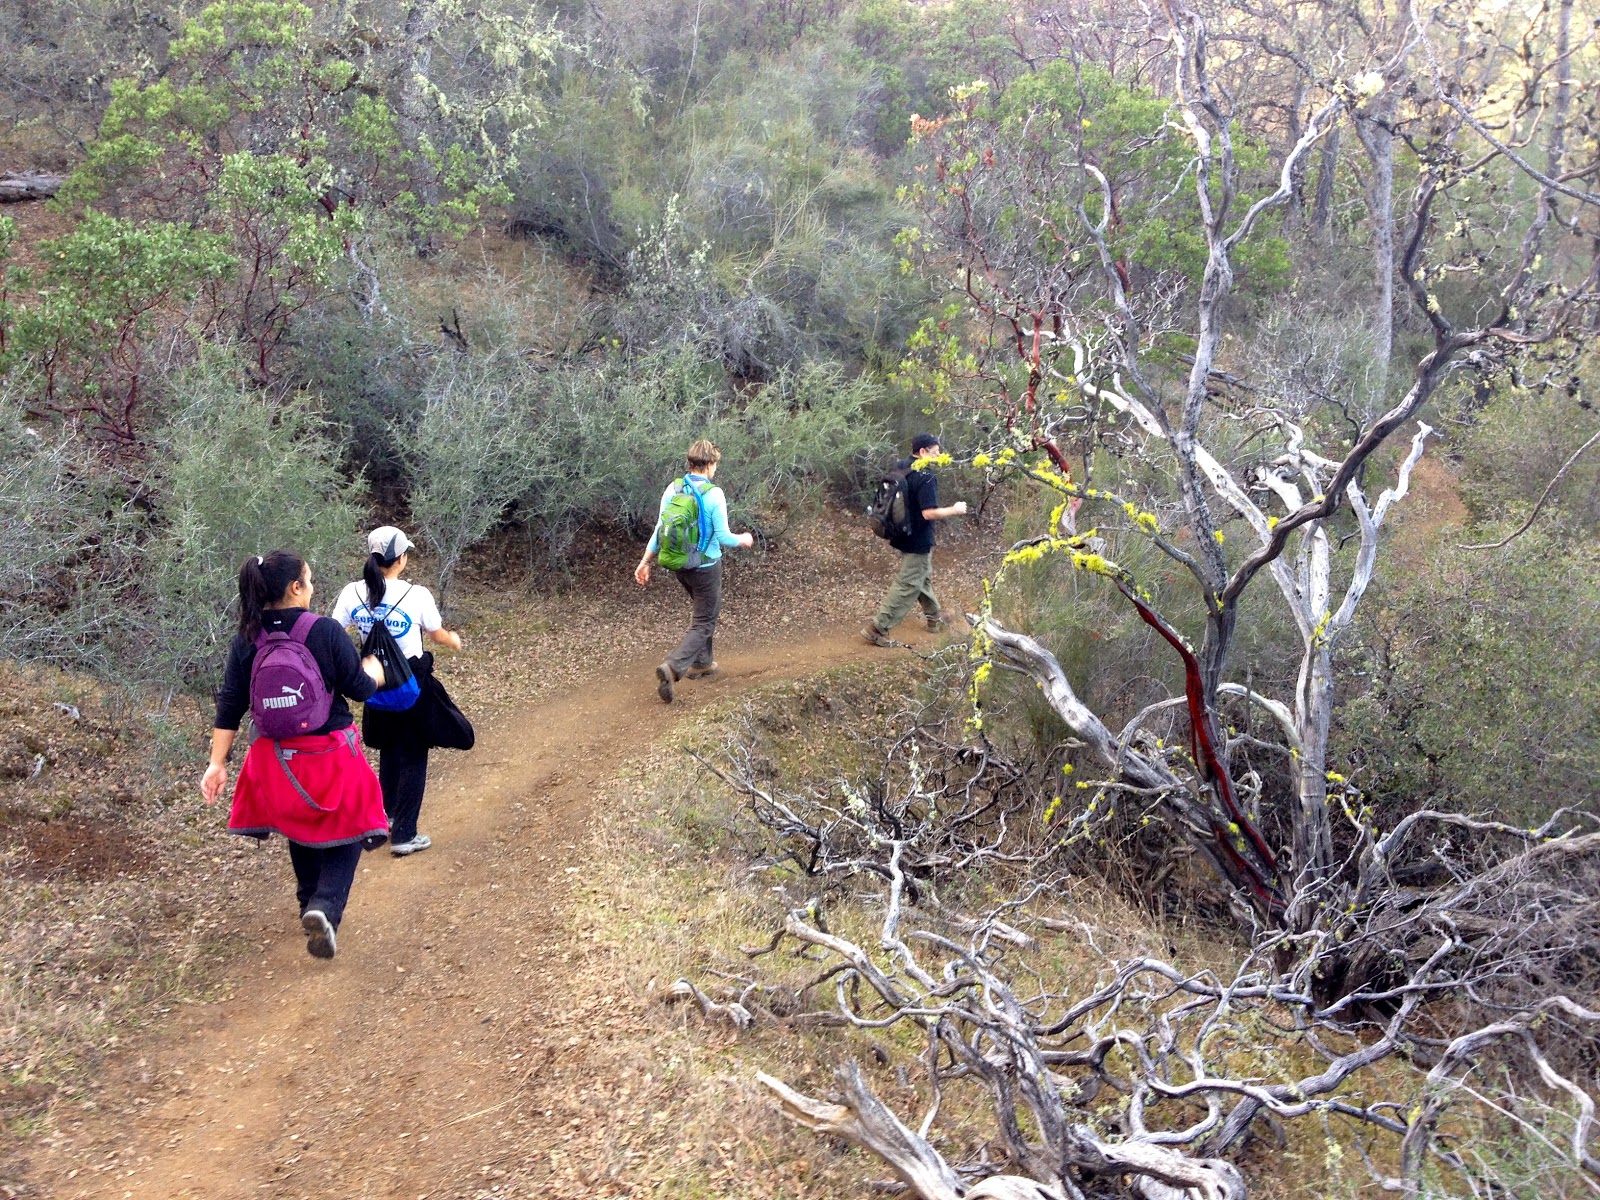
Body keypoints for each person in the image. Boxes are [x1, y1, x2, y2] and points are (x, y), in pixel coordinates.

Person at [200, 550, 389, 960]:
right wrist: (374, 669)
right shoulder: (323, 631)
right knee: (352, 824)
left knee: (301, 823)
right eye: (310, 579)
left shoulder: (247, 638)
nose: (313, 587)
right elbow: (360, 688)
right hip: (329, 752)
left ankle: (308, 904)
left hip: (274, 760)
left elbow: (230, 703)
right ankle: (325, 906)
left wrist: (217, 764)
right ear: (295, 587)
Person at [330, 526, 464, 858]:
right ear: (401, 559)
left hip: (373, 683)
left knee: (389, 750)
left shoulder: (352, 593)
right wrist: (454, 640)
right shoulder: (415, 595)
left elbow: (334, 632)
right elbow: (436, 635)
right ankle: (405, 834)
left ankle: (384, 820)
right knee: (414, 753)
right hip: (410, 685)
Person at [633, 439, 755, 703]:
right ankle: (673, 668)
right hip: (706, 566)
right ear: (709, 464)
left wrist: (645, 561)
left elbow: (659, 530)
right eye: (715, 465)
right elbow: (722, 535)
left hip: (679, 565)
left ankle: (703, 663)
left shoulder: (673, 488)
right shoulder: (714, 494)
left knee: (705, 611)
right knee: (704, 620)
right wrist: (743, 540)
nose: (715, 470)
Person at [862, 433, 967, 646]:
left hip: (901, 534)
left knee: (922, 574)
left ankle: (933, 616)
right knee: (908, 583)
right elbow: (929, 513)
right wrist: (955, 510)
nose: (939, 456)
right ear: (923, 452)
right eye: (935, 452)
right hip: (918, 538)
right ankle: (878, 628)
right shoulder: (926, 477)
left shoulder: (902, 467)